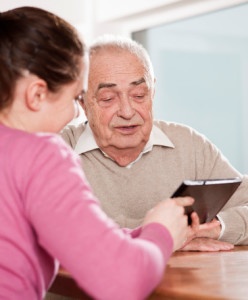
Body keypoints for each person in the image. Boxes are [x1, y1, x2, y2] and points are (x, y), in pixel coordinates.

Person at [0, 6, 199, 300]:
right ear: (37, 94)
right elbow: (122, 283)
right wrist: (161, 231)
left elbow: (74, 238)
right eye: (74, 98)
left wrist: (143, 232)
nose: (75, 113)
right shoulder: (42, 154)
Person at [61, 34, 248, 252]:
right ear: (82, 101)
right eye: (108, 99)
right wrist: (162, 239)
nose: (127, 111)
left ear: (153, 90)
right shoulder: (56, 150)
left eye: (139, 95)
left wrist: (212, 228)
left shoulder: (189, 145)